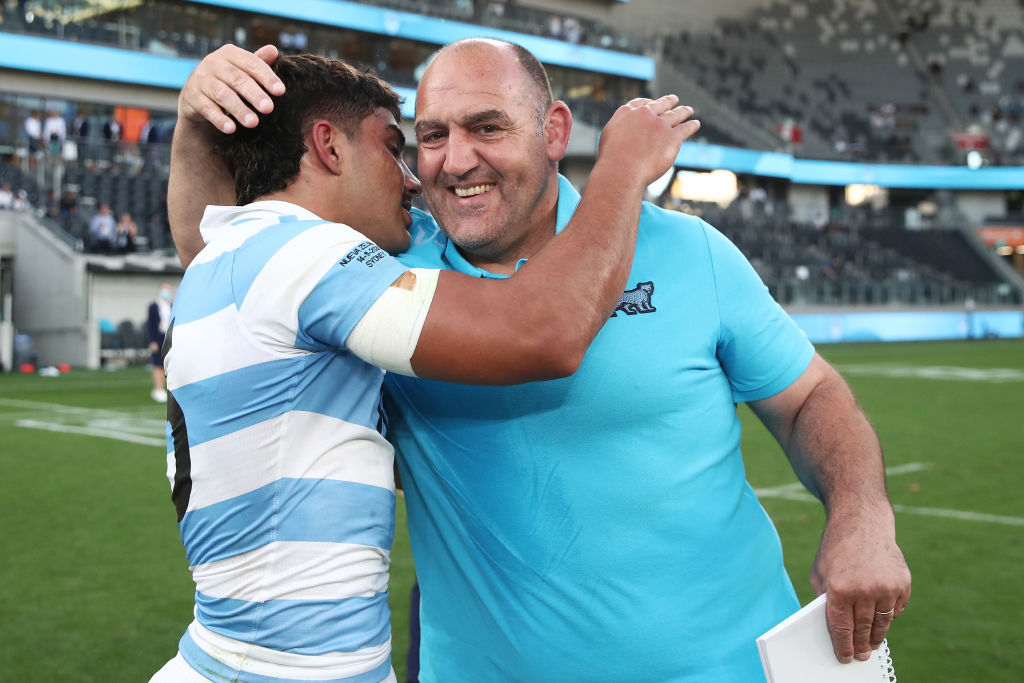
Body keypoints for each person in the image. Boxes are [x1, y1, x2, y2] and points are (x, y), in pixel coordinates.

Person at [171, 41, 910, 682]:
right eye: (428, 137)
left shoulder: (692, 252)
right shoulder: (395, 270)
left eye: (486, 126)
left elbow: (811, 394)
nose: (455, 160)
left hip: (734, 666)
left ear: (555, 130)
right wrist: (196, 125)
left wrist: (863, 513)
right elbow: (226, 258)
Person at [158, 51, 696, 683]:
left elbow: (197, 238)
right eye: (394, 147)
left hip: (227, 656)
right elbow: (541, 333)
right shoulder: (302, 251)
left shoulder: (238, 253)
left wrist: (193, 124)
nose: (412, 179)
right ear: (328, 147)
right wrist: (623, 170)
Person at [147, 283, 173, 403]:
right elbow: (151, 325)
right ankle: (158, 389)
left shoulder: (172, 305)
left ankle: (169, 389)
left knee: (168, 364)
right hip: (158, 337)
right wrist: (152, 341)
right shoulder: (154, 306)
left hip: (169, 336)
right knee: (158, 364)